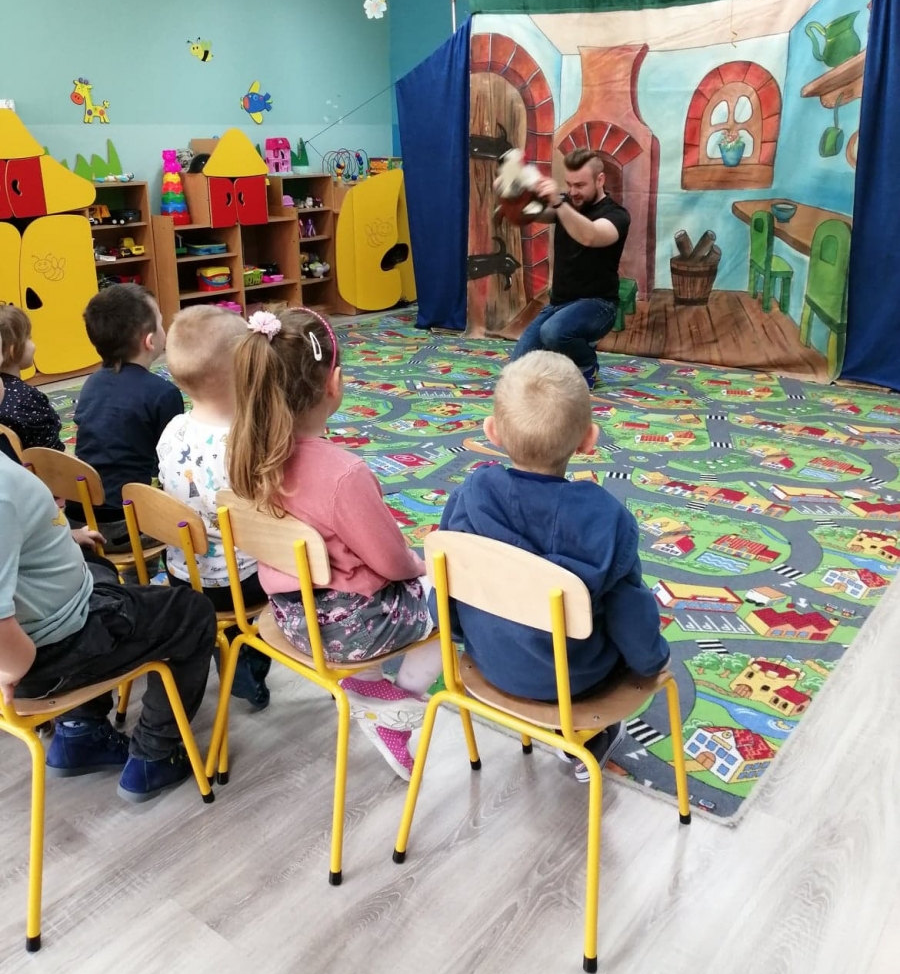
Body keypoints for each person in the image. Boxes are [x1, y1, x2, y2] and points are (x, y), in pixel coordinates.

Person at [227, 308, 443, 780]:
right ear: (335, 383)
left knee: (375, 586)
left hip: (293, 617)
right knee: (455, 597)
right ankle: (393, 705)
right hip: (352, 630)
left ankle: (368, 688)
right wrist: (423, 565)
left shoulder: (245, 456)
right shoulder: (345, 475)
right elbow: (392, 562)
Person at [439, 351, 670, 781]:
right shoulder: (607, 519)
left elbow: (447, 580)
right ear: (589, 440)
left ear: (492, 432)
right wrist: (652, 661)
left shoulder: (469, 495)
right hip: (576, 681)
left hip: (487, 664)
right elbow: (629, 614)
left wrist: (455, 631)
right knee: (614, 630)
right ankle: (589, 739)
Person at [0, 446, 217, 802]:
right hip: (54, 648)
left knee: (99, 568)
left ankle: (80, 732)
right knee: (193, 613)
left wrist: (57, 537)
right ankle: (154, 756)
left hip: (54, 621)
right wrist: (11, 668)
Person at [157, 305, 272, 711]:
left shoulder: (172, 429)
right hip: (238, 584)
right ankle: (245, 660)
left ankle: (211, 642)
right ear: (246, 371)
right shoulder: (249, 441)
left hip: (180, 574)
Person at [510, 147, 630, 388]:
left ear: (600, 180)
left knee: (553, 332)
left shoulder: (617, 215)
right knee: (517, 370)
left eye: (580, 185)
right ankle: (564, 357)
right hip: (558, 305)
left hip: (599, 305)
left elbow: (590, 236)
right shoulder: (565, 204)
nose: (573, 191)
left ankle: (587, 364)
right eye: (569, 184)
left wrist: (557, 202)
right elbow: (528, 215)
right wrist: (513, 195)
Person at [73, 285, 183, 547]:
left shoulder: (91, 383)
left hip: (79, 519)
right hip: (126, 524)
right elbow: (172, 467)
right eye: (161, 322)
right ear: (150, 341)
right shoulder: (163, 393)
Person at [0, 303, 64, 450]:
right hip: (38, 462)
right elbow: (52, 450)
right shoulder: (27, 398)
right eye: (29, 337)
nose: (33, 344)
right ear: (14, 350)